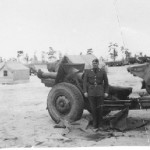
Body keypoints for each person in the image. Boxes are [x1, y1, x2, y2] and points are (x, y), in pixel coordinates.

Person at [83, 58, 109, 129]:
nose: (94, 65)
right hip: (91, 93)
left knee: (100, 109)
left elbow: (106, 83)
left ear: (98, 64)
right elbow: (85, 83)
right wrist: (85, 91)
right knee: (93, 109)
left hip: (100, 92)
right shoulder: (88, 72)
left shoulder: (102, 72)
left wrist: (106, 92)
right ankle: (95, 123)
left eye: (95, 63)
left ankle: (100, 124)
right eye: (93, 63)